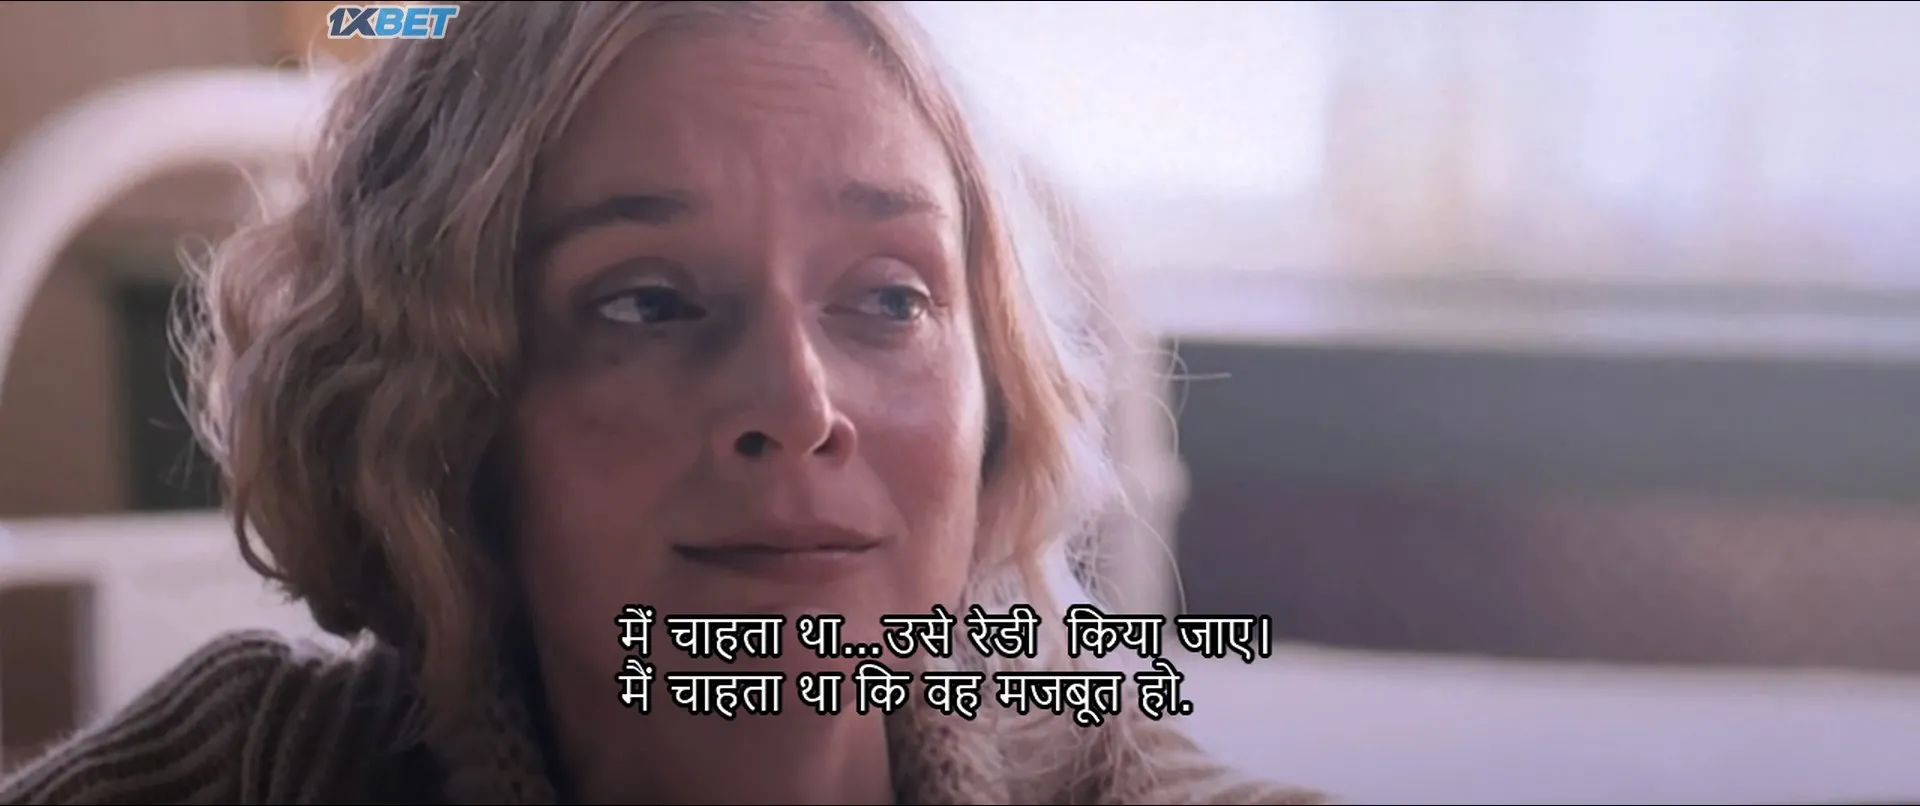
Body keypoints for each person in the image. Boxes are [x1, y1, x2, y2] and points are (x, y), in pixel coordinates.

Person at [0, 2, 1332, 803]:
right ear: (442, 415)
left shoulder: (1112, 785)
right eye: (645, 303)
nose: (799, 405)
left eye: (889, 298)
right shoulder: (257, 770)